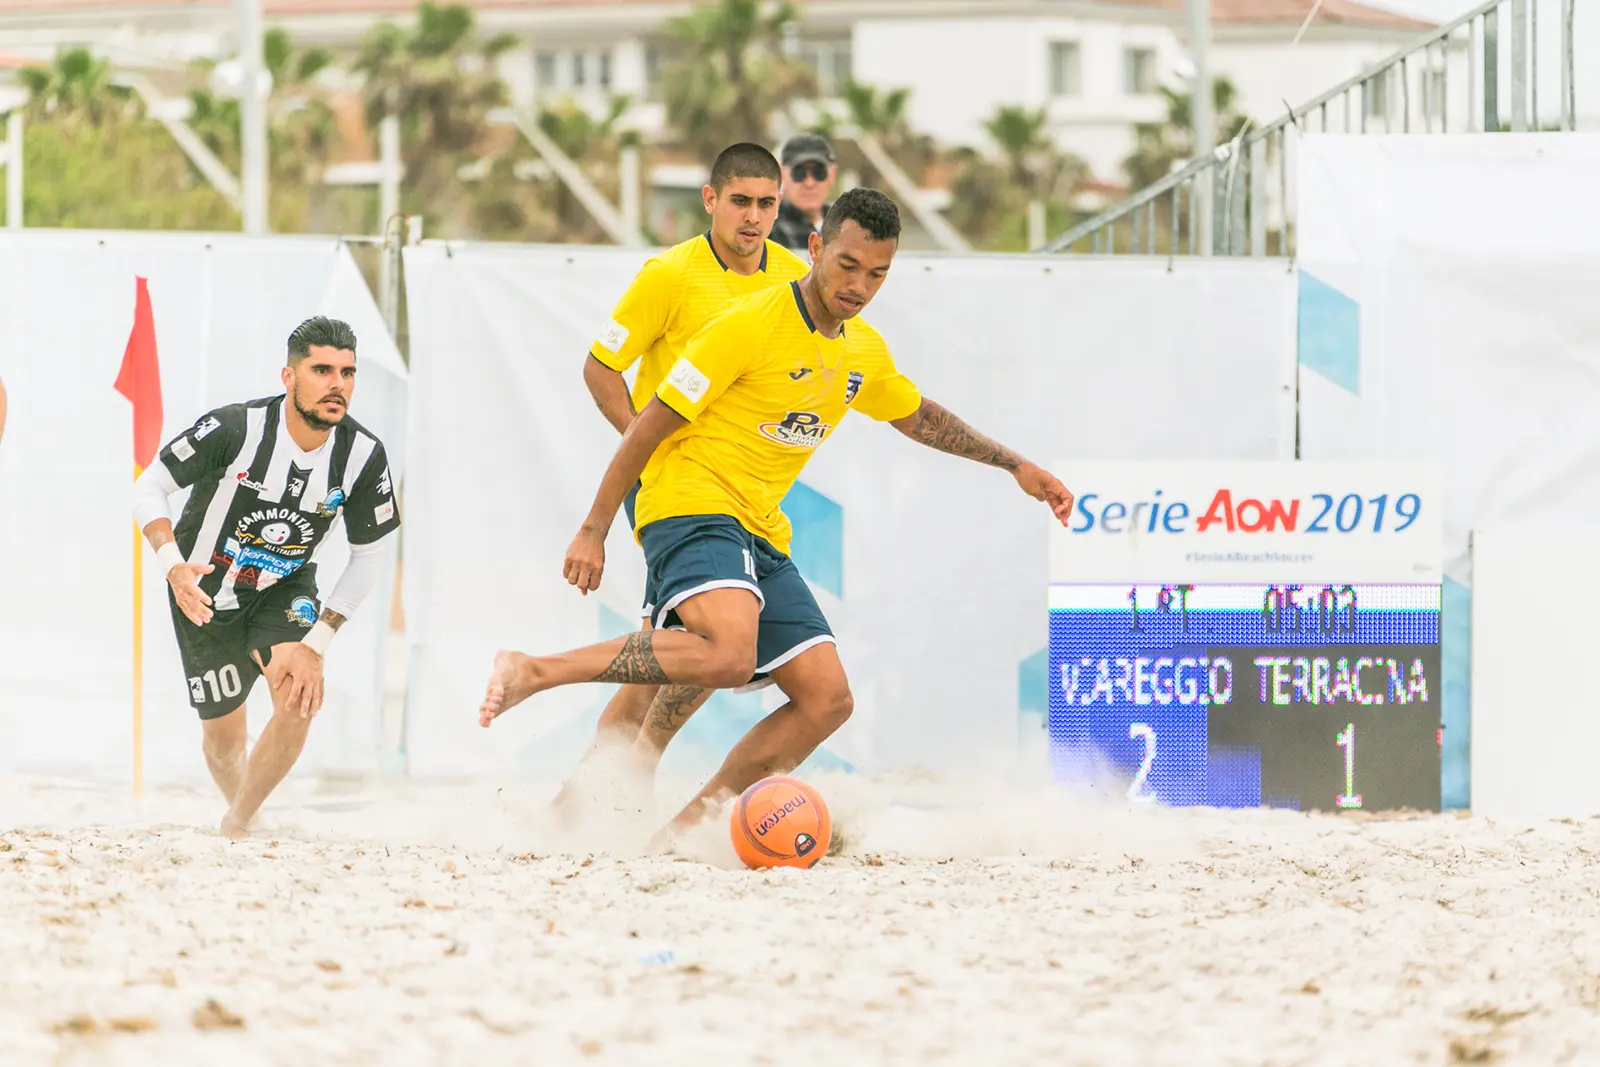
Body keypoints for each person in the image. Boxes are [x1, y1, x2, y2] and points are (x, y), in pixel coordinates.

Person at [481, 188, 1074, 843]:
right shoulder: (747, 323)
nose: (860, 286)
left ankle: (678, 839)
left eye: (877, 274)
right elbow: (646, 428)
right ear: (815, 248)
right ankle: (535, 669)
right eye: (847, 265)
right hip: (688, 500)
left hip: (760, 528)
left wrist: (1014, 463)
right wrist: (593, 528)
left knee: (827, 699)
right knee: (726, 654)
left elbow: (919, 416)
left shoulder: (861, 351)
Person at [553, 142, 812, 819]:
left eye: (766, 204)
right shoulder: (669, 274)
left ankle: (606, 784)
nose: (753, 217)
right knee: (699, 646)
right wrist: (649, 444)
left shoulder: (792, 278)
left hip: (750, 499)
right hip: (682, 494)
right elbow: (599, 367)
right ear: (710, 200)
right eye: (741, 202)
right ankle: (597, 787)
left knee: (692, 652)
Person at [133, 316, 401, 840]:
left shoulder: (363, 454)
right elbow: (148, 486)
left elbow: (369, 555)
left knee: (299, 696)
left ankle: (236, 824)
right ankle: (248, 811)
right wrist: (172, 566)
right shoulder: (236, 428)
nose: (337, 384)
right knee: (223, 743)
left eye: (347, 372)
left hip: (285, 589)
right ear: (289, 376)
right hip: (203, 595)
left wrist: (317, 643)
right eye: (321, 370)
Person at [770, 133, 838, 255]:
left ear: (832, 174)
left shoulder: (846, 225)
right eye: (799, 173)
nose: (809, 183)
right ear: (781, 175)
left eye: (818, 172)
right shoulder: (768, 230)